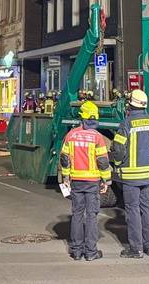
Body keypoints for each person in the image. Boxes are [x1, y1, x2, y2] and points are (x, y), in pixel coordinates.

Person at [59, 100, 111, 261]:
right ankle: (91, 252)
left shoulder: (71, 135)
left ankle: (76, 251)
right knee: (91, 216)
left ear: (82, 117)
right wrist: (106, 181)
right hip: (92, 182)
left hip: (76, 181)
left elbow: (64, 159)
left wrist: (66, 177)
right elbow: (103, 161)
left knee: (77, 215)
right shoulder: (97, 137)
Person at [110, 89, 149, 259]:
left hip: (131, 176)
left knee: (132, 211)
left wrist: (117, 165)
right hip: (147, 174)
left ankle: (136, 248)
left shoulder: (126, 123)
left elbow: (118, 150)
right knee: (146, 209)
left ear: (131, 103)